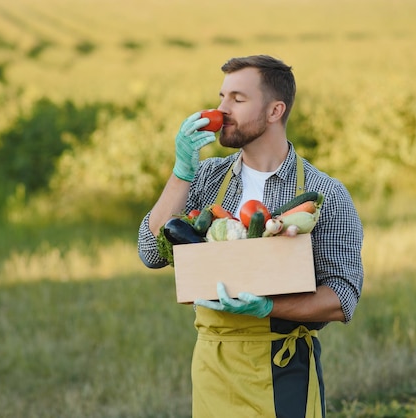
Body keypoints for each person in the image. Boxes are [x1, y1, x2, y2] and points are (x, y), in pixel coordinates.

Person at [137, 55, 364, 417]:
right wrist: (181, 171)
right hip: (214, 365)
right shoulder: (206, 178)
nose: (221, 109)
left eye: (237, 100)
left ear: (275, 111)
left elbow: (341, 298)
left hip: (281, 366)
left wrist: (268, 307)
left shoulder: (326, 193)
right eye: (222, 96)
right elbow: (151, 252)